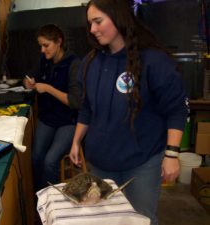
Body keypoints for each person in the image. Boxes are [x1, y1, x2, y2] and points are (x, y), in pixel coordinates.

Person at [69, 1, 188, 225]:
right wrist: (76, 141)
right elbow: (86, 109)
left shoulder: (153, 61)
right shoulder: (90, 62)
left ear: (119, 18)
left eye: (98, 21)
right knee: (107, 219)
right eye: (90, 23)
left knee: (140, 220)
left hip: (142, 163)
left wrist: (171, 155)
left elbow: (176, 109)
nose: (92, 29)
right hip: (101, 162)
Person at [24, 24, 81, 192]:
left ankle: (52, 201)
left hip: (68, 122)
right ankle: (40, 197)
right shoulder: (44, 61)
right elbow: (29, 78)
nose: (42, 50)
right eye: (40, 45)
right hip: (47, 118)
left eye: (46, 45)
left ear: (59, 42)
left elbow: (75, 102)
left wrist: (47, 88)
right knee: (35, 158)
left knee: (50, 160)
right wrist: (27, 82)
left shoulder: (74, 64)